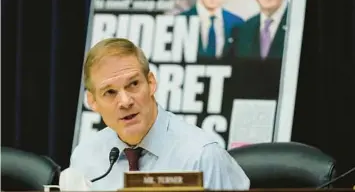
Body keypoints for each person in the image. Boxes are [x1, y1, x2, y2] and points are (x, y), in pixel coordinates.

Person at [69, 38, 250, 190]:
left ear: (151, 83)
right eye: (109, 92)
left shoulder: (201, 156)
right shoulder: (85, 158)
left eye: (133, 84)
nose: (125, 102)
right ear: (92, 102)